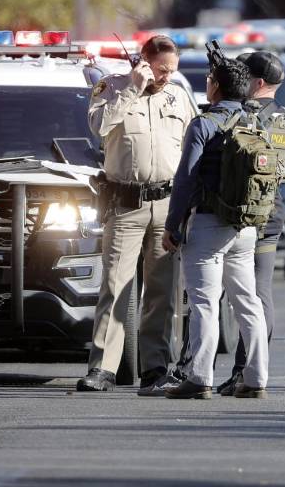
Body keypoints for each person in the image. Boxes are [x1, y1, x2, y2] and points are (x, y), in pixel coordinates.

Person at [78, 35, 197, 394]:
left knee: (162, 290)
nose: (166, 77)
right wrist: (133, 89)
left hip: (167, 204)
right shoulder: (110, 89)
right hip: (125, 203)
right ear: (143, 62)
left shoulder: (179, 96)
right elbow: (99, 128)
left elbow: (195, 144)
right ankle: (103, 368)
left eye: (171, 71)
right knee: (115, 286)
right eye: (161, 70)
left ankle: (155, 366)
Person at [163, 58, 269, 399]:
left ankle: (199, 377)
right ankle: (256, 379)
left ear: (215, 86)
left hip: (209, 224)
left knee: (204, 303)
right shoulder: (256, 121)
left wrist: (173, 226)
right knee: (247, 302)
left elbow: (184, 180)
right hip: (246, 226)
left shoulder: (204, 124)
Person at [215, 51, 285, 397]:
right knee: (260, 294)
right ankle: (249, 371)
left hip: (240, 213)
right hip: (271, 211)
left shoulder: (244, 115)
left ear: (258, 83)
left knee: (230, 296)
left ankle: (241, 372)